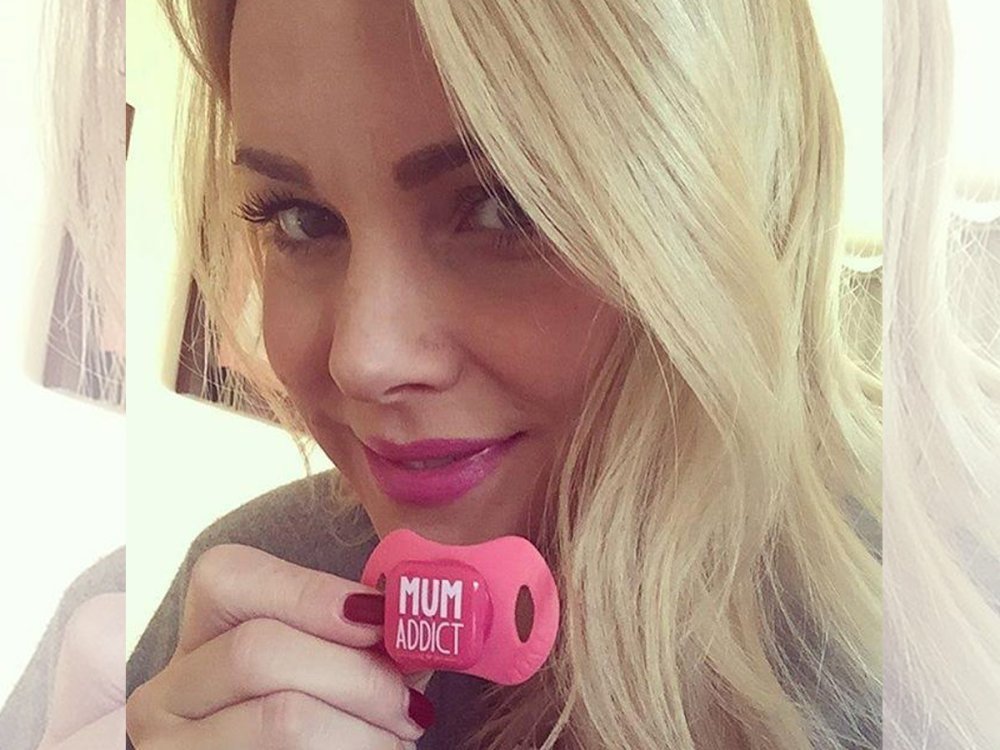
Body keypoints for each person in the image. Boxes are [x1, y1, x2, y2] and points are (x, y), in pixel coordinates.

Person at [126, 1, 882, 748]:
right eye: (301, 219)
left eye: (504, 209)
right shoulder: (243, 605)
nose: (362, 361)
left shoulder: (908, 665)